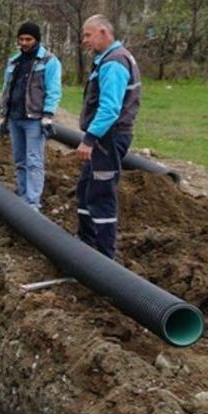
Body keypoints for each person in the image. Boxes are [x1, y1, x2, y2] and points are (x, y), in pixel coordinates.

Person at [76, 14, 141, 261]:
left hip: (108, 139)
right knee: (85, 189)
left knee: (101, 194)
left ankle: (104, 260)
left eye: (88, 35)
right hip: (106, 138)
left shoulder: (114, 63)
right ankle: (85, 244)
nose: (85, 41)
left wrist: (90, 139)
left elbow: (110, 108)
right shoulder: (110, 59)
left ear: (104, 32)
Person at [0, 21, 62, 210]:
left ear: (37, 40)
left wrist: (48, 115)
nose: (24, 43)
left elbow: (54, 90)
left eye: (28, 39)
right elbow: (6, 89)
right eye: (21, 39)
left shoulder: (49, 61)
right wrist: (4, 116)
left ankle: (33, 202)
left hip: (34, 119)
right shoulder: (14, 61)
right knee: (20, 160)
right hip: (15, 118)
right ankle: (22, 195)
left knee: (34, 161)